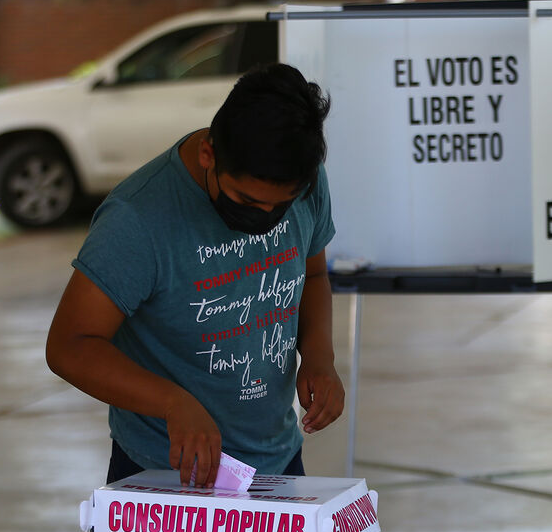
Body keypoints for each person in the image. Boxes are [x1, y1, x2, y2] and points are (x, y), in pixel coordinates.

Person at [46, 63, 344, 488]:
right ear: (209, 153)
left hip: (277, 458)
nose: (264, 219)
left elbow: (313, 276)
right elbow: (69, 346)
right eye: (244, 199)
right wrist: (171, 403)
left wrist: (319, 357)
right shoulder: (137, 219)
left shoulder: (305, 180)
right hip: (163, 471)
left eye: (279, 206)